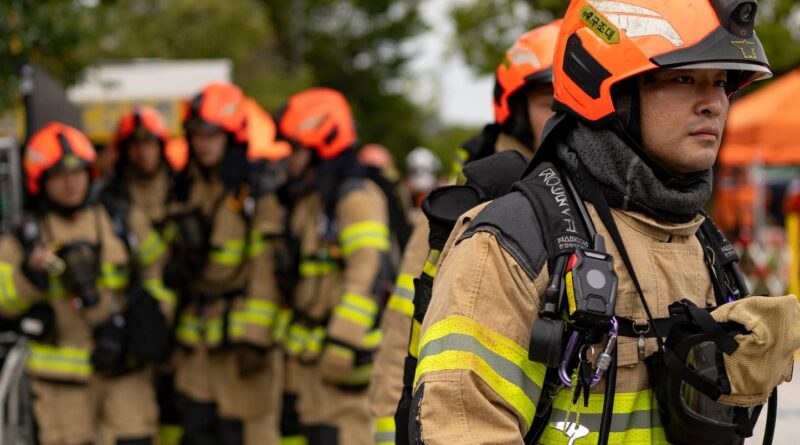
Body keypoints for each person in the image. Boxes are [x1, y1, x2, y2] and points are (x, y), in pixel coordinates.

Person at [410, 1, 800, 444]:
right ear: (611, 91)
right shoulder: (510, 245)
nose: (713, 104)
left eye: (721, 83)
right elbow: (463, 430)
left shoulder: (704, 246)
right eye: (686, 78)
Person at [367, 20, 561, 445]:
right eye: (550, 99)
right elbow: (406, 317)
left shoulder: (599, 189)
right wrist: (387, 426)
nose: (566, 112)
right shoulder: (473, 193)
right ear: (514, 109)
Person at [0, 122, 173, 445]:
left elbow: (159, 270)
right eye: (59, 176)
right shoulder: (27, 236)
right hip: (62, 385)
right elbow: (3, 301)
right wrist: (29, 276)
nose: (70, 183)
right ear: (41, 180)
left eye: (77, 172)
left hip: (126, 372)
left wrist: (146, 320)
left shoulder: (119, 218)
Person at [275, 87, 394, 445]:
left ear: (320, 146)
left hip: (344, 357)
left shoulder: (355, 197)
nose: (288, 159)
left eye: (294, 149)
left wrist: (343, 342)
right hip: (311, 355)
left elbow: (368, 274)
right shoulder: (313, 197)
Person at [168, 82, 284, 445]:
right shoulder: (186, 184)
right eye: (197, 134)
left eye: (212, 134)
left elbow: (265, 266)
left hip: (239, 338)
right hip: (196, 336)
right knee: (199, 429)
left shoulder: (255, 187)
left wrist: (256, 337)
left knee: (240, 430)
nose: (203, 143)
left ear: (231, 136)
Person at [103, 106, 184, 445]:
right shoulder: (112, 198)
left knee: (181, 402)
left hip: (186, 305)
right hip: (137, 312)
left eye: (149, 142)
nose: (143, 151)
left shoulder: (184, 186)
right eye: (134, 144)